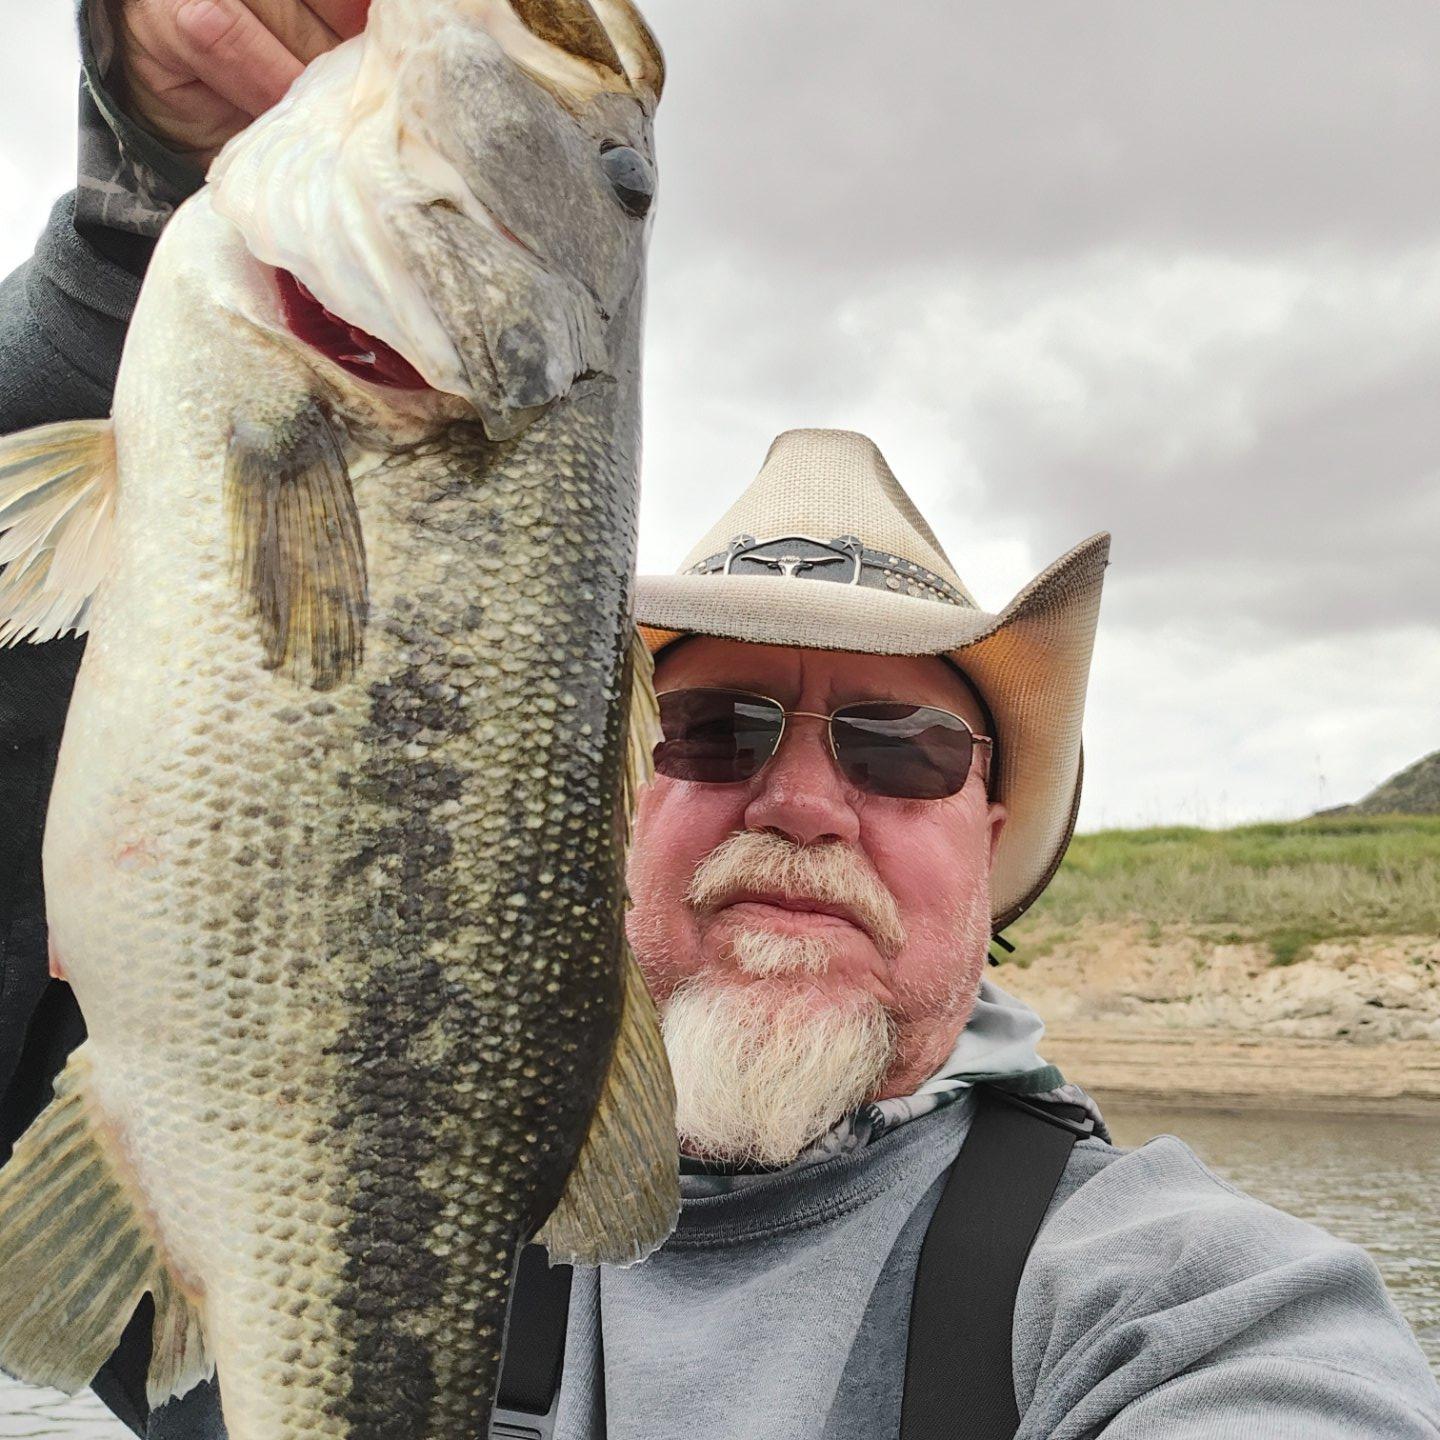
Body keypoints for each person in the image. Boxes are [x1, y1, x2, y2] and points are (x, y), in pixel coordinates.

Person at [0, 6, 1437, 1438]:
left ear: (992, 830)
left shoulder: (1173, 1306)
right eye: (715, 730)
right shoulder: (287, 1150)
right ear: (604, 792)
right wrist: (130, 222)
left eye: (902, 747)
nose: (802, 802)